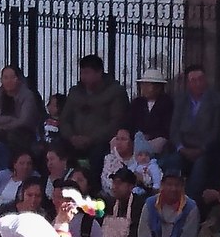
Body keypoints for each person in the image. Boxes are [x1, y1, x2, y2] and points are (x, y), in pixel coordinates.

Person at [59, 55, 129, 185]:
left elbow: (116, 122)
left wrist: (91, 139)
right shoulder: (75, 92)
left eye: (87, 73)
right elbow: (64, 119)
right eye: (82, 73)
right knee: (57, 151)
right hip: (73, 140)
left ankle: (94, 189)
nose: (83, 77)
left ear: (99, 73)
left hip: (100, 142)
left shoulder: (115, 92)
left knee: (99, 155)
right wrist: (71, 137)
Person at [169, 65, 220, 200]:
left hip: (206, 149)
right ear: (188, 83)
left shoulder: (218, 100)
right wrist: (181, 148)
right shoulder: (180, 100)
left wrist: (202, 149)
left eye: (201, 79)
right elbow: (174, 128)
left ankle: (190, 203)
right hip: (184, 148)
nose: (198, 83)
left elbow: (217, 130)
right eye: (193, 80)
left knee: (200, 167)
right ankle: (170, 200)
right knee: (171, 164)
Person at [0, 65, 42, 154]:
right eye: (5, 78)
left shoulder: (27, 95)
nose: (9, 81)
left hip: (23, 133)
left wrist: (3, 126)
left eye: (12, 77)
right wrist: (10, 119)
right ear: (1, 80)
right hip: (0, 130)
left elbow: (24, 121)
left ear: (19, 79)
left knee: (13, 136)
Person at [129, 67, 173, 157]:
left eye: (147, 85)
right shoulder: (137, 103)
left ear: (158, 87)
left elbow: (167, 128)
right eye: (143, 85)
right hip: (138, 138)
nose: (143, 88)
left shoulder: (167, 103)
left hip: (157, 139)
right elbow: (130, 122)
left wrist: (150, 135)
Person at [101, 127, 146, 197]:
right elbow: (105, 182)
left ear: (132, 142)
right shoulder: (109, 159)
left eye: (123, 139)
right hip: (112, 197)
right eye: (117, 139)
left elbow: (147, 181)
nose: (119, 142)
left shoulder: (142, 158)